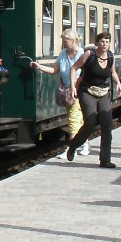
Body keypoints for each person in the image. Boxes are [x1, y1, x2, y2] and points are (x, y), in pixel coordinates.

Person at [65, 31, 121, 168]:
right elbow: (74, 68)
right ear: (97, 43)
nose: (105, 44)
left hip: (103, 92)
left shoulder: (110, 56)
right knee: (90, 123)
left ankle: (105, 159)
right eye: (102, 41)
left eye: (107, 42)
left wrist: (118, 83)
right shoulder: (89, 54)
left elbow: (112, 72)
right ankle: (73, 146)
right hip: (88, 92)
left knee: (107, 123)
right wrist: (73, 86)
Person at [31, 28, 88, 156]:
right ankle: (85, 143)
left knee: (73, 119)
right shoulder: (63, 54)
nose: (63, 42)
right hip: (67, 92)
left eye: (65, 40)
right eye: (62, 40)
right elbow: (54, 70)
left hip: (80, 90)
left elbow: (86, 73)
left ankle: (71, 150)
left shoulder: (82, 54)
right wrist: (39, 67)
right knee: (76, 119)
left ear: (73, 40)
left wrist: (76, 85)